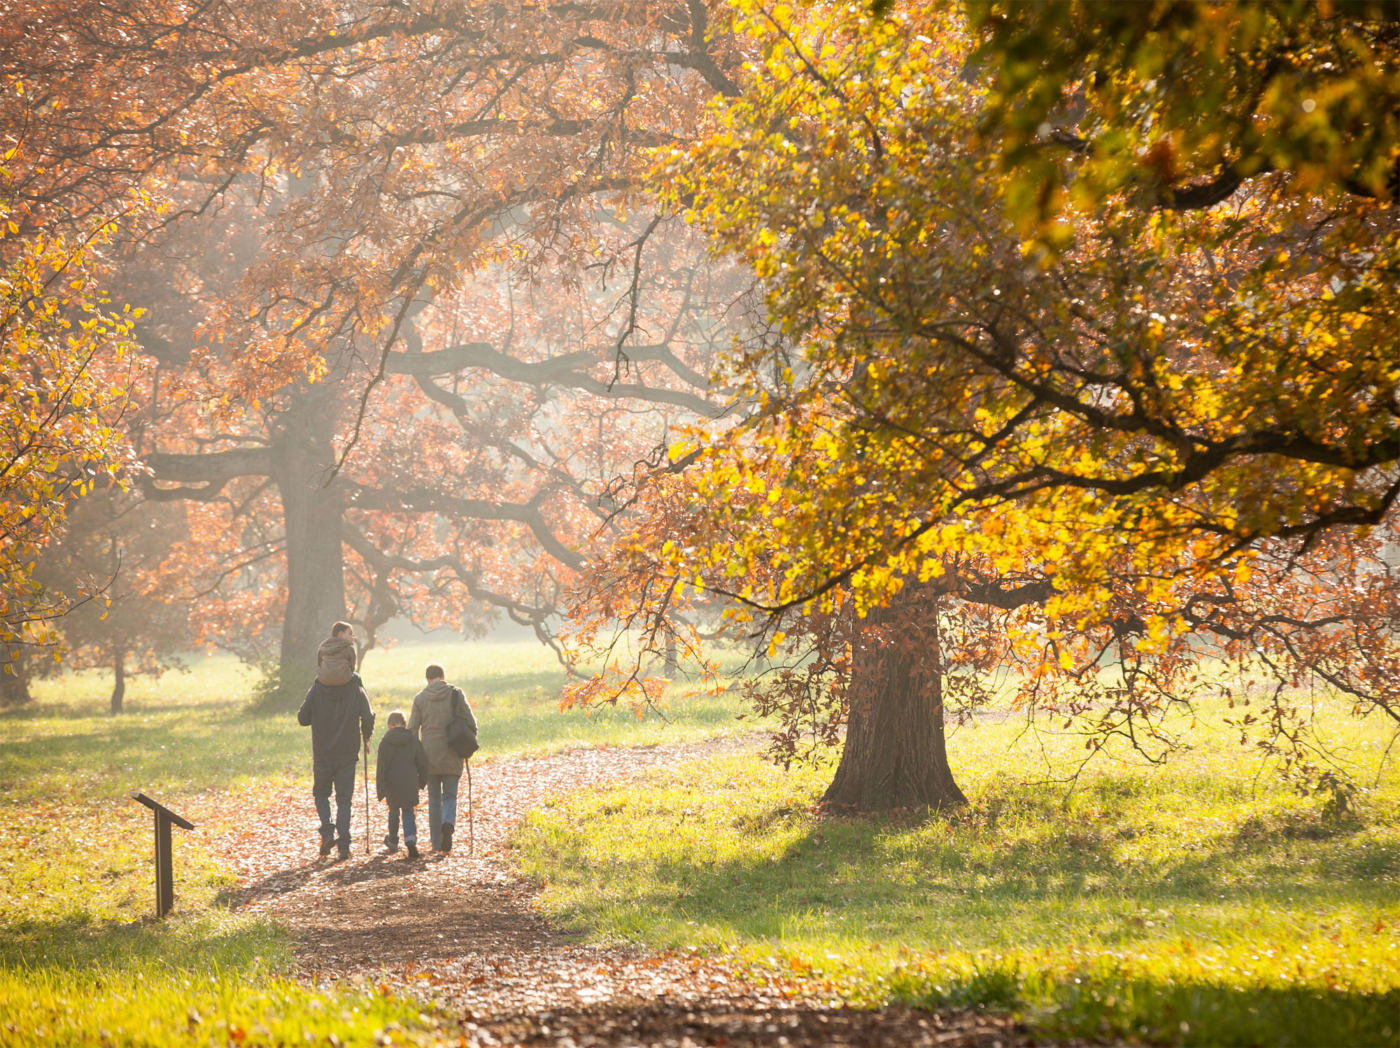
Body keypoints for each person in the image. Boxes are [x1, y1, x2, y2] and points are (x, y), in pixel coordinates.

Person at [298, 622, 375, 859]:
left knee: (321, 795)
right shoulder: (355, 685)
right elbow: (368, 715)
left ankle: (327, 831)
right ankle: (344, 846)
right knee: (344, 799)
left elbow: (303, 718)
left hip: (322, 751)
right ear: (348, 659)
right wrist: (366, 734)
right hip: (348, 751)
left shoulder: (317, 686)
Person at [408, 663, 477, 852]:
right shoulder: (456, 693)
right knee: (450, 797)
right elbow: (471, 723)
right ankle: (448, 824)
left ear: (428, 679)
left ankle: (436, 843)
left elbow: (412, 730)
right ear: (443, 676)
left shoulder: (420, 699)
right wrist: (467, 745)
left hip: (428, 755)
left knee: (433, 798)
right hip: (452, 751)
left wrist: (414, 756)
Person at [376, 710, 428, 859]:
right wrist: (422, 781)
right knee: (408, 811)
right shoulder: (412, 740)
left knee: (393, 811)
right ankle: (410, 838)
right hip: (409, 782)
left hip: (391, 784)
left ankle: (393, 840)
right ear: (404, 725)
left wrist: (381, 789)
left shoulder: (385, 743)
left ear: (389, 725)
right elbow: (422, 762)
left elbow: (381, 768)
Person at [317, 620, 359, 687]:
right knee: (357, 678)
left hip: (324, 679)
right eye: (350, 634)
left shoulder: (323, 647)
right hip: (344, 679)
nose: (353, 637)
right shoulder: (349, 648)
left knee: (316, 682)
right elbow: (352, 667)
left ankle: (309, 697)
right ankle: (363, 697)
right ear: (341, 634)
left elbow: (319, 664)